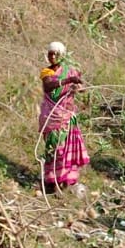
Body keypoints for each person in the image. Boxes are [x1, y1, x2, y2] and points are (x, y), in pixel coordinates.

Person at [37, 42, 88, 193]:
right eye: (50, 54)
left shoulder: (70, 71)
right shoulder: (46, 72)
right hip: (51, 116)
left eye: (56, 54)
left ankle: (65, 180)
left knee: (66, 149)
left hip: (66, 116)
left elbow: (82, 89)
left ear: (62, 55)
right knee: (54, 148)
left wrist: (76, 87)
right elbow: (48, 86)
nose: (52, 57)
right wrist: (68, 81)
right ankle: (52, 182)